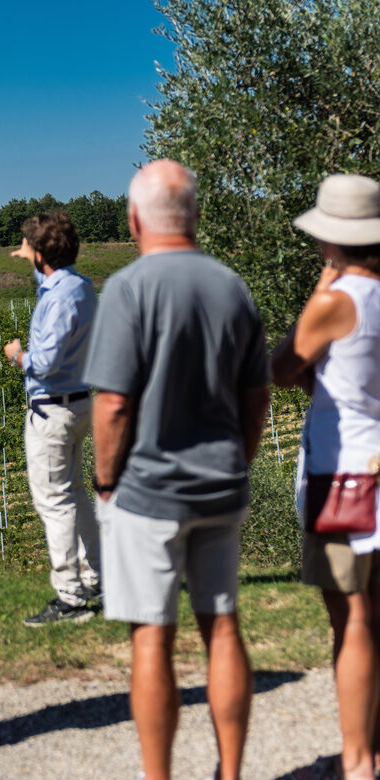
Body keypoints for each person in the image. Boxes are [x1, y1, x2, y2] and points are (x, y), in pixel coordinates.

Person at [83, 159, 270, 780]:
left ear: (135, 219)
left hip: (148, 491)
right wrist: (238, 459)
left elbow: (111, 404)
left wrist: (106, 481)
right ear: (195, 216)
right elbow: (256, 394)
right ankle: (231, 771)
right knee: (222, 625)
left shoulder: (127, 290)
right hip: (221, 484)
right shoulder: (232, 286)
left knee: (152, 637)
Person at [273, 174, 380, 780]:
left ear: (332, 243)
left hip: (346, 480)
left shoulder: (336, 302)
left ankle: (358, 761)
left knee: (351, 617)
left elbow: (285, 366)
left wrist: (321, 287)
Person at [4, 211, 100, 626]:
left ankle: (70, 596)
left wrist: (16, 355)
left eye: (29, 246)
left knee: (54, 501)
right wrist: (34, 261)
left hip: (52, 406)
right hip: (78, 402)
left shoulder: (59, 296)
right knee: (75, 494)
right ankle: (98, 576)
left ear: (42, 253)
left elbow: (43, 363)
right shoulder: (81, 286)